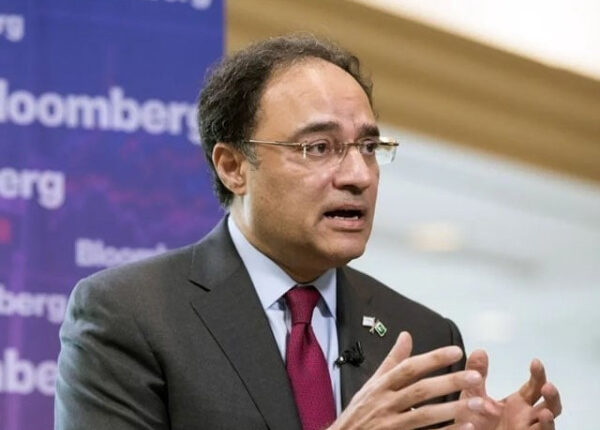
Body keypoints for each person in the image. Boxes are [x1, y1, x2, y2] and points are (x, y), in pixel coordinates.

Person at [54, 35, 562, 430]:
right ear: (233, 166)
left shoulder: (424, 339)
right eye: (318, 148)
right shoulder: (129, 316)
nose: (358, 175)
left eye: (368, 148)